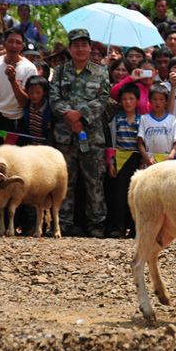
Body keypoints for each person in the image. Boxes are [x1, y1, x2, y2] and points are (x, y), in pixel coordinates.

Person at [49, 28, 110, 238]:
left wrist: (81, 116)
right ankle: (62, 224)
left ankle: (96, 225)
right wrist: (69, 116)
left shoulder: (101, 72)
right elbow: (54, 98)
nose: (80, 49)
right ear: (70, 47)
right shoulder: (59, 71)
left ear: (90, 47)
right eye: (76, 45)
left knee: (94, 181)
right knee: (65, 181)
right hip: (65, 136)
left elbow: (102, 100)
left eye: (84, 45)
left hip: (92, 136)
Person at [0, 28, 37, 147]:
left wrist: (13, 81)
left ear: (22, 46)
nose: (14, 46)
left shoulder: (29, 68)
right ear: (4, 43)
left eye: (18, 43)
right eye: (11, 41)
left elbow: (24, 102)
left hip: (17, 121)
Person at [107, 82, 142, 238]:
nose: (128, 102)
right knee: (120, 195)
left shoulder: (142, 120)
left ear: (137, 100)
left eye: (131, 98)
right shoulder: (116, 120)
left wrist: (143, 161)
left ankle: (135, 228)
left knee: (136, 195)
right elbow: (112, 143)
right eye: (124, 99)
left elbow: (144, 143)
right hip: (120, 159)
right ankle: (119, 227)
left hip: (136, 160)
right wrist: (112, 162)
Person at [138, 84, 176, 165]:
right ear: (149, 100)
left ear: (166, 101)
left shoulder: (172, 119)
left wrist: (171, 156)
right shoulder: (144, 119)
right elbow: (140, 143)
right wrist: (146, 158)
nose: (158, 102)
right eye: (154, 99)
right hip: (150, 159)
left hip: (167, 160)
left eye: (161, 99)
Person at [23, 75, 52, 146]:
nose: (34, 96)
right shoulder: (27, 107)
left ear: (44, 92)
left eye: (38, 93)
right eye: (31, 93)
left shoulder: (49, 111)